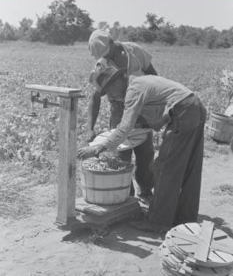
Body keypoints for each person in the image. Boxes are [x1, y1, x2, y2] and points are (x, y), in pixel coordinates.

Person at [78, 64, 207, 234]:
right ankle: (185, 218)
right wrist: (146, 124)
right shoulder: (141, 82)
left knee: (164, 169)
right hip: (195, 107)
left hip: (183, 112)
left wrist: (98, 148)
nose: (110, 95)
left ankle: (158, 222)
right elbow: (161, 117)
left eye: (109, 89)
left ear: (119, 80)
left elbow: (124, 129)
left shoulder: (134, 90)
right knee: (190, 168)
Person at [87, 58, 154, 198]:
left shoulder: (131, 74)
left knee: (145, 156)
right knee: (122, 158)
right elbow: (95, 98)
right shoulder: (101, 70)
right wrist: (90, 128)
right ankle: (126, 195)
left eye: (111, 88)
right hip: (118, 113)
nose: (109, 93)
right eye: (107, 91)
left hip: (141, 112)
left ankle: (146, 190)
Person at [87, 29, 158, 142]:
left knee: (144, 150)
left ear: (112, 42)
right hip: (118, 110)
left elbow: (154, 76)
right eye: (103, 57)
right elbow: (95, 97)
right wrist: (90, 129)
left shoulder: (135, 51)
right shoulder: (101, 66)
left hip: (142, 107)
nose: (107, 58)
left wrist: (154, 108)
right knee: (120, 150)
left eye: (107, 53)